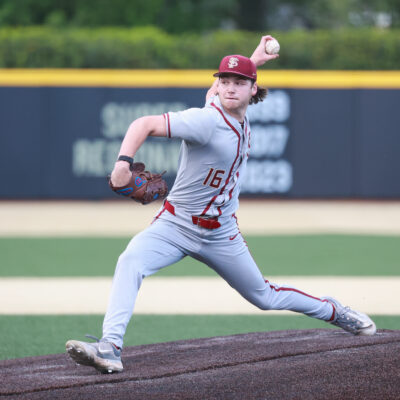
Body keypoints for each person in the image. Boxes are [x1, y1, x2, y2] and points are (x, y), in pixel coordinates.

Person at [66, 36, 376, 374]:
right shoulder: (205, 121)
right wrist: (123, 164)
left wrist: (255, 58)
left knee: (265, 297)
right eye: (223, 81)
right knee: (130, 261)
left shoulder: (234, 112)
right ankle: (110, 347)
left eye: (238, 82)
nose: (229, 87)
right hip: (176, 224)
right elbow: (143, 124)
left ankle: (335, 312)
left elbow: (234, 87)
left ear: (253, 90)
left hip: (221, 234)